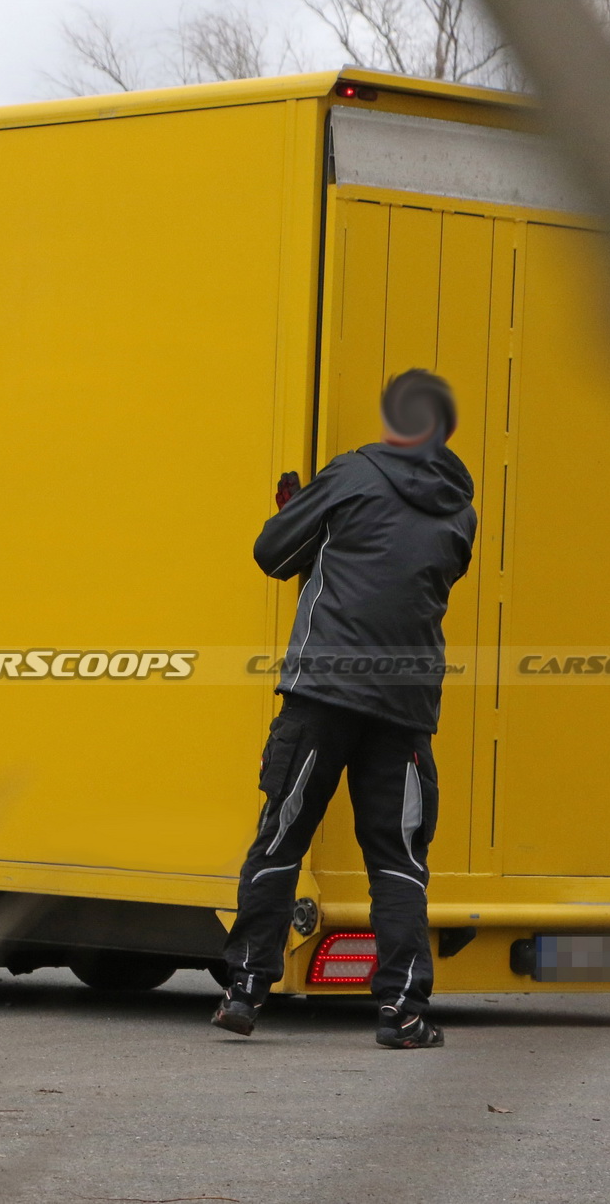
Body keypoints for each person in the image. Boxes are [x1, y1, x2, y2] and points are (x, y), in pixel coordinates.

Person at [212, 369, 477, 1049]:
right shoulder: (461, 507)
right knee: (398, 856)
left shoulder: (352, 474)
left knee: (283, 835)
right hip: (406, 704)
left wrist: (298, 508)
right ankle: (405, 1011)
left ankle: (246, 988)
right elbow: (416, 572)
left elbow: (274, 553)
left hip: (324, 691)